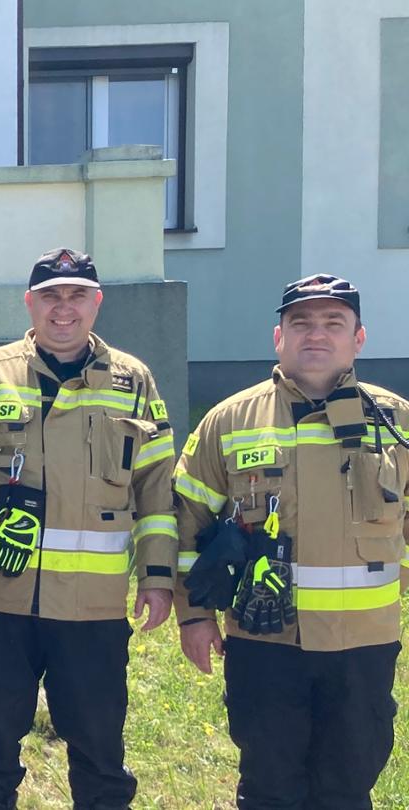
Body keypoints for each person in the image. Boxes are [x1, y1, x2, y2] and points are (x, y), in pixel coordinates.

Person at [0, 248, 177, 810]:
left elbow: (157, 492)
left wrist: (158, 577)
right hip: (0, 602)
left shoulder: (134, 379)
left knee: (99, 754)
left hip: (91, 609)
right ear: (30, 303)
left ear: (97, 303)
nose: (63, 308)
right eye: (50, 295)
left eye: (76, 295)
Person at [174, 274, 407, 809]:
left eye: (334, 323)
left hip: (362, 645)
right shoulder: (229, 421)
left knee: (347, 788)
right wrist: (194, 615)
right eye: (300, 323)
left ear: (359, 338)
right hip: (265, 642)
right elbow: (186, 518)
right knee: (268, 788)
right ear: (278, 336)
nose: (316, 335)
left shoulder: (396, 421)